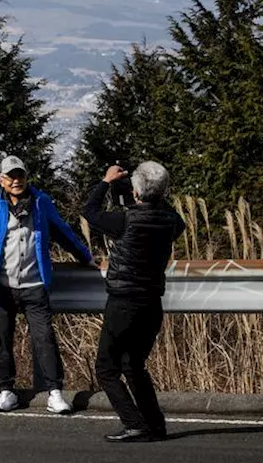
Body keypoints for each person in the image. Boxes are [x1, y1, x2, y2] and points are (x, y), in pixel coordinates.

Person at [0, 155, 96, 414]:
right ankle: (6, 391)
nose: (16, 181)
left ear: (26, 177)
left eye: (20, 175)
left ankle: (55, 392)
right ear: (1, 180)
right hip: (1, 285)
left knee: (44, 338)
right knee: (1, 340)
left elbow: (63, 232)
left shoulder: (41, 202)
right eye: (10, 176)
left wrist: (85, 257)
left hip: (34, 283)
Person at [83, 162, 186, 443]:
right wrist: (150, 195)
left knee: (106, 368)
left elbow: (89, 212)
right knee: (134, 365)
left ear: (136, 192)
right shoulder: (172, 222)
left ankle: (134, 423)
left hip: (123, 302)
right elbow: (167, 215)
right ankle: (156, 425)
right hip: (152, 303)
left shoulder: (124, 221)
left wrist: (106, 182)